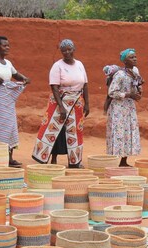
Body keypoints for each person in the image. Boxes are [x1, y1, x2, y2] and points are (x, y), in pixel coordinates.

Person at [32, 39, 89, 167]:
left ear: (74, 49)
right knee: (52, 129)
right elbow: (54, 87)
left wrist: (87, 103)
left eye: (69, 49)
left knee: (75, 131)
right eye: (64, 50)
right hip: (60, 101)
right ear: (61, 52)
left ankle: (75, 161)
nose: (67, 52)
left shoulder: (79, 64)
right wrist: (61, 107)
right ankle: (43, 157)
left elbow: (85, 85)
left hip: (77, 102)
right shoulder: (57, 66)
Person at [0, 36, 30, 167]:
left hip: (7, 100)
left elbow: (15, 75)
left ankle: (9, 158)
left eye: (8, 45)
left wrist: (25, 78)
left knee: (10, 126)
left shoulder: (8, 63)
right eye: (4, 46)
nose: (7, 47)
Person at [106, 48, 143, 167]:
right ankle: (117, 161)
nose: (135, 59)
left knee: (128, 133)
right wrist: (128, 95)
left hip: (129, 107)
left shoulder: (135, 73)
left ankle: (123, 161)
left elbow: (136, 87)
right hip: (119, 108)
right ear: (125, 61)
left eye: (135, 56)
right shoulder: (120, 75)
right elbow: (112, 92)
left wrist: (138, 92)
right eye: (131, 57)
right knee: (120, 132)